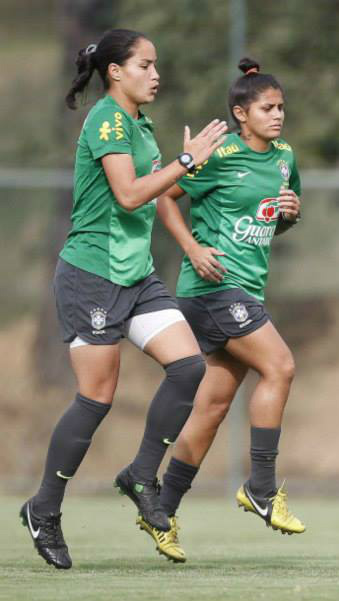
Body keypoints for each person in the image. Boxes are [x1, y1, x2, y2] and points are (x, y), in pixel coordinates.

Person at [20, 28, 227, 569]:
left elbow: (157, 190)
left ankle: (139, 475)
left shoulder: (140, 122)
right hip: (92, 275)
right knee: (97, 399)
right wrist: (184, 161)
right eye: (145, 65)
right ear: (115, 72)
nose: (155, 74)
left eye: (156, 65)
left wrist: (197, 167)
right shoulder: (108, 119)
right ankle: (44, 508)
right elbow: (130, 193)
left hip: (135, 275)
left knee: (186, 368)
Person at [131, 58, 304, 563]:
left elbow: (273, 219)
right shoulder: (221, 153)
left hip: (247, 290)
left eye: (281, 108)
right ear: (240, 113)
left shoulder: (283, 156)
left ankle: (160, 511)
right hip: (212, 289)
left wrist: (287, 216)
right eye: (267, 108)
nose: (277, 116)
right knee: (281, 366)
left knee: (210, 409)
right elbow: (164, 198)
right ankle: (263, 488)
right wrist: (192, 248)